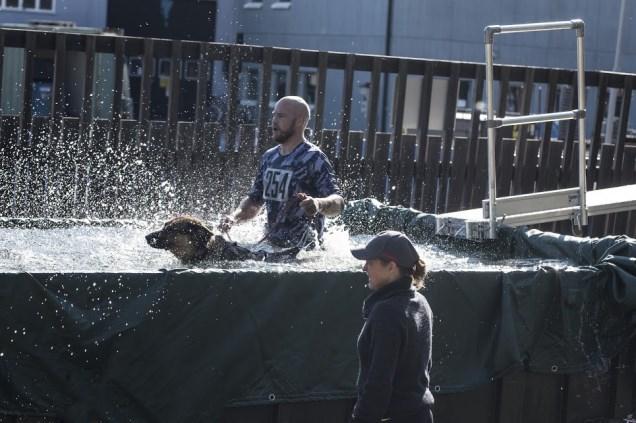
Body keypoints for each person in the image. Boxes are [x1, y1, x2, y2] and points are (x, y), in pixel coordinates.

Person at [219, 96, 344, 248]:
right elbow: (254, 201)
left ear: (299, 121)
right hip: (271, 247)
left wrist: (318, 203)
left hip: (304, 253)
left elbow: (338, 203)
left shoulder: (313, 158)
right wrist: (234, 217)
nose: (274, 121)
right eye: (274, 115)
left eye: (281, 116)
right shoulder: (269, 157)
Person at [349, 231, 434, 423]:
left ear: (391, 267)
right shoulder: (422, 303)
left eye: (370, 263)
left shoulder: (386, 312)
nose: (364, 268)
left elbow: (378, 383)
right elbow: (425, 369)